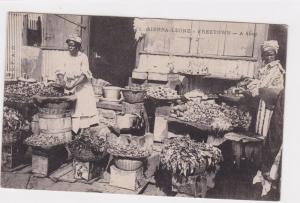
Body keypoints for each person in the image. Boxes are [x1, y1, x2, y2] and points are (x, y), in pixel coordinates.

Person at [55, 35, 99, 134]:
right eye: (69, 45)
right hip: (68, 85)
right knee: (69, 110)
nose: (70, 47)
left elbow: (84, 75)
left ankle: (82, 134)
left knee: (81, 109)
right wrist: (62, 81)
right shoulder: (64, 56)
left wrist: (73, 85)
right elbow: (60, 71)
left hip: (81, 86)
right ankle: (69, 131)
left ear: (78, 47)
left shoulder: (83, 57)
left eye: (72, 45)